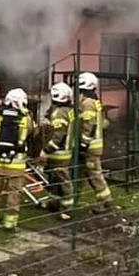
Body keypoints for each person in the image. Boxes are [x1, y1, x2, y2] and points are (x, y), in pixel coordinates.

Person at [0, 88, 34, 230]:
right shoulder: (27, 120)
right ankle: (10, 223)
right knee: (14, 193)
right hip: (17, 166)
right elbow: (35, 134)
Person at [76, 71, 115, 212]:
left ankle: (106, 202)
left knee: (94, 174)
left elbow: (89, 125)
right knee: (79, 173)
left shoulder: (87, 103)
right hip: (92, 145)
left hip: (90, 147)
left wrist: (83, 144)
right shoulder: (93, 100)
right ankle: (69, 201)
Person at [41, 81, 77, 221]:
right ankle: (54, 203)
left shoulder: (60, 113)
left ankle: (67, 209)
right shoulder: (69, 111)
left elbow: (58, 135)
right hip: (65, 151)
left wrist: (46, 150)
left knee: (62, 181)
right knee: (54, 180)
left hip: (59, 153)